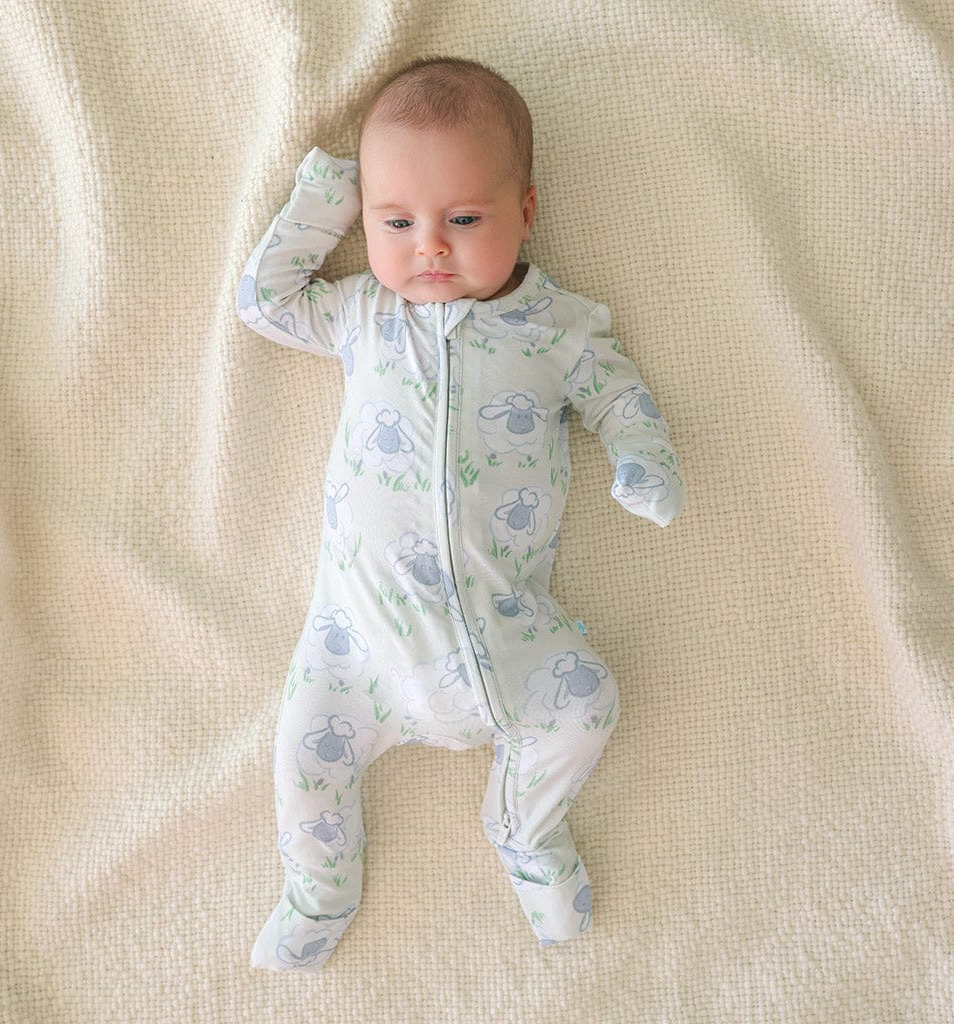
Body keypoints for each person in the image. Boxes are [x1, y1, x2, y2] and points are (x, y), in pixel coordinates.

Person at [237, 56, 684, 971]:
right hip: (356, 643)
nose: (429, 248)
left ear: (526, 210)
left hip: (507, 633)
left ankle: (526, 830)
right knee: (303, 763)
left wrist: (643, 457)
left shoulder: (558, 327)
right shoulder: (363, 313)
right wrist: (325, 198)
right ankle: (318, 891)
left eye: (465, 220)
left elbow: (616, 392)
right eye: (396, 221)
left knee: (587, 701)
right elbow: (264, 301)